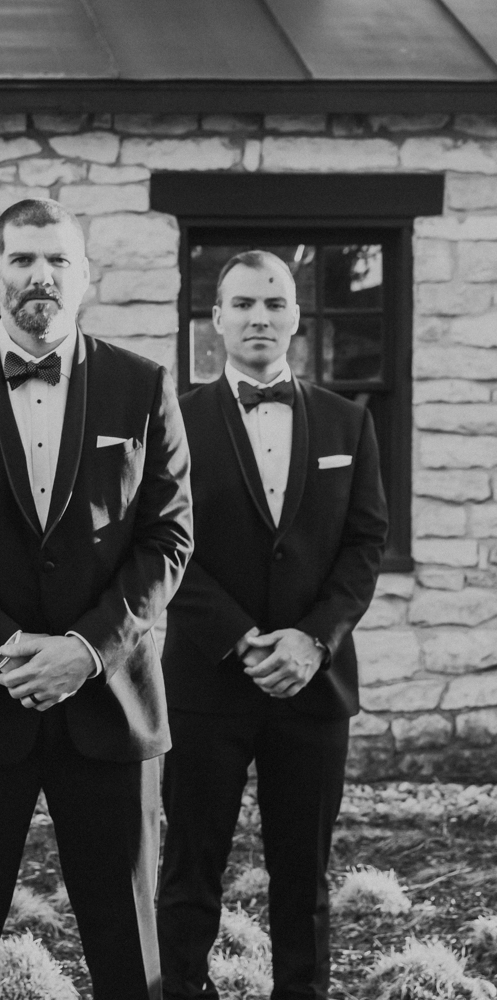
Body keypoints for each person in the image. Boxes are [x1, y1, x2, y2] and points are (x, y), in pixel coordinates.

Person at [0, 198, 193, 1000]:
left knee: (130, 954)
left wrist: (87, 651)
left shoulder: (143, 385)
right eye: (24, 258)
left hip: (111, 705)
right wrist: (1, 649)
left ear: (85, 276)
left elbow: (168, 538)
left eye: (59, 260)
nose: (41, 275)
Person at [156, 250, 387, 1000]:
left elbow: (365, 543)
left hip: (313, 688)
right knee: (190, 869)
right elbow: (160, 540)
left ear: (295, 318)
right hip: (206, 682)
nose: (260, 317)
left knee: (303, 877)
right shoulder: (173, 421)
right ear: (216, 318)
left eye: (275, 303)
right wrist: (240, 637)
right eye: (244, 303)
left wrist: (313, 639)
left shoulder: (350, 421)